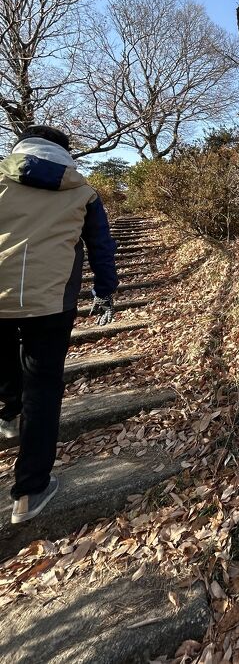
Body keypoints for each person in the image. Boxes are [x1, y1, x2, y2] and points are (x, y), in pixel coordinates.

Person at [0, 125, 118, 524]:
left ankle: (9, 413)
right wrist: (105, 291)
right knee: (44, 384)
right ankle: (30, 490)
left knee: (9, 365)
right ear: (64, 153)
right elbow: (101, 245)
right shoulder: (82, 191)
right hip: (52, 299)